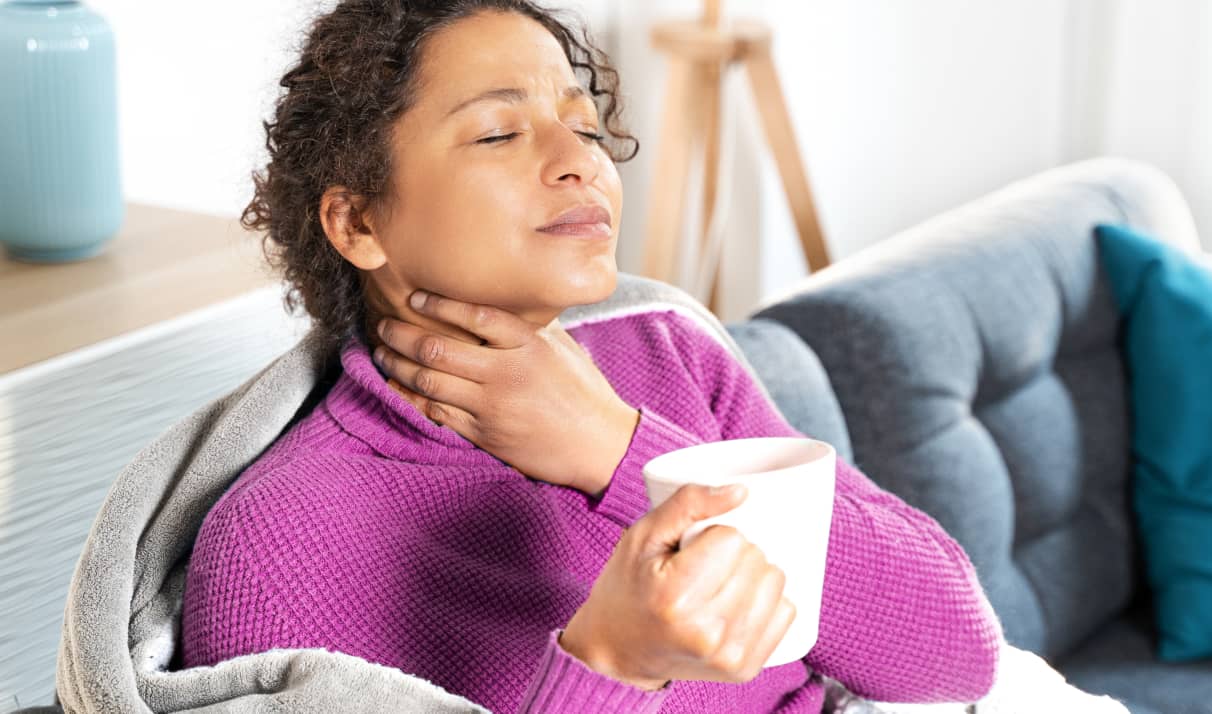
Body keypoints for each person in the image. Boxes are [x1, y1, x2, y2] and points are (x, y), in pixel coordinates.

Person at [179, 2, 1004, 711]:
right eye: (499, 132)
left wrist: (616, 446)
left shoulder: (666, 355)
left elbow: (956, 651)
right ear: (357, 223)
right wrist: (613, 664)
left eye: (585, 126)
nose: (581, 162)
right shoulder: (280, 538)